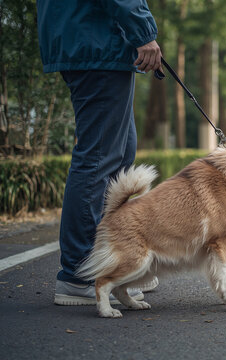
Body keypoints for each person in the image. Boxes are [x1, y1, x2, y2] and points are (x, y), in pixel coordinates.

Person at [37, 0, 162, 305]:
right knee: (98, 161)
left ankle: (112, 261)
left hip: (90, 39)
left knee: (119, 157)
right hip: (96, 40)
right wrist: (143, 31)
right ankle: (81, 274)